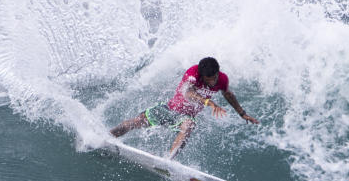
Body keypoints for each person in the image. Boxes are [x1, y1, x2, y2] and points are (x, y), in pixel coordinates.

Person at [110, 57, 259, 158]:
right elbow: (187, 92)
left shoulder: (222, 79)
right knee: (135, 122)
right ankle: (107, 137)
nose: (212, 83)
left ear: (217, 72)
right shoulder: (193, 73)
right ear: (201, 75)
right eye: (208, 80)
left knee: (189, 125)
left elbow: (228, 94)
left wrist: (242, 113)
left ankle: (168, 160)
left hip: (186, 116)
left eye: (214, 79)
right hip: (169, 108)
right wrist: (208, 102)